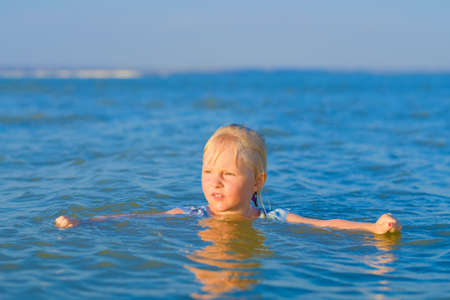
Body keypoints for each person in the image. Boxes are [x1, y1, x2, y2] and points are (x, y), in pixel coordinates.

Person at [55, 124, 401, 234]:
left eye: (228, 174)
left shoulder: (271, 219)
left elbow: (324, 224)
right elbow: (139, 218)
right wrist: (86, 221)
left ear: (257, 182)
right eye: (208, 173)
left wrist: (372, 229)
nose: (214, 183)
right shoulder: (195, 214)